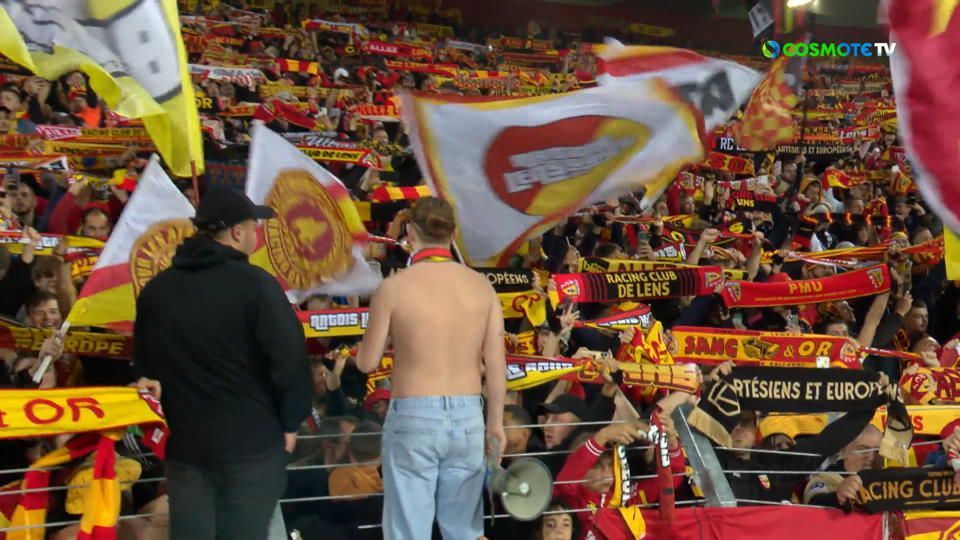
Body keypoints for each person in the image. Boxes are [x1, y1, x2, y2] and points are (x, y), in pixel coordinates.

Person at [133, 188, 313, 540]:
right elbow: (290, 359)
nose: (256, 234)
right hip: (252, 447)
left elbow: (144, 370)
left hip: (186, 448)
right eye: (253, 227)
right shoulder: (257, 285)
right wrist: (291, 422)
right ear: (236, 232)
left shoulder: (156, 291)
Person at [356, 196, 507, 539]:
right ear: (453, 235)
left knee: (408, 531)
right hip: (469, 416)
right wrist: (496, 422)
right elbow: (497, 366)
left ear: (410, 232)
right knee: (464, 531)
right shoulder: (481, 287)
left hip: (413, 418)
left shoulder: (393, 288)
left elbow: (367, 363)